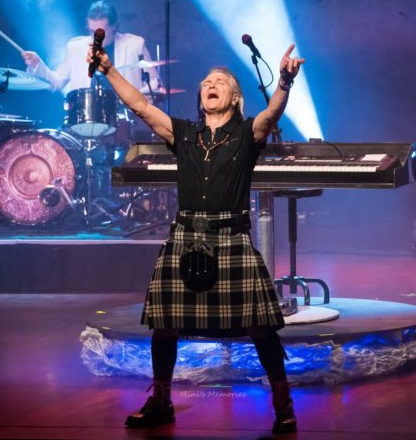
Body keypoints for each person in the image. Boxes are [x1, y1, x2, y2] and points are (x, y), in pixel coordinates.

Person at [88, 42, 304, 435]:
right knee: (165, 325)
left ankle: (282, 403)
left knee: (260, 327)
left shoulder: (247, 134)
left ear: (234, 98)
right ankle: (161, 401)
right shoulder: (185, 134)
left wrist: (285, 82)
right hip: (185, 238)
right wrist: (108, 69)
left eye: (219, 81)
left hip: (231, 239)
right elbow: (140, 106)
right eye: (206, 82)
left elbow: (271, 114)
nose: (210, 85)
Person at [22, 0, 160, 94]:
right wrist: (37, 64)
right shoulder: (76, 47)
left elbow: (155, 83)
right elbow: (56, 83)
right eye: (92, 31)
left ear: (115, 26)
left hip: (127, 120)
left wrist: (137, 97)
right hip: (87, 120)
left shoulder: (135, 45)